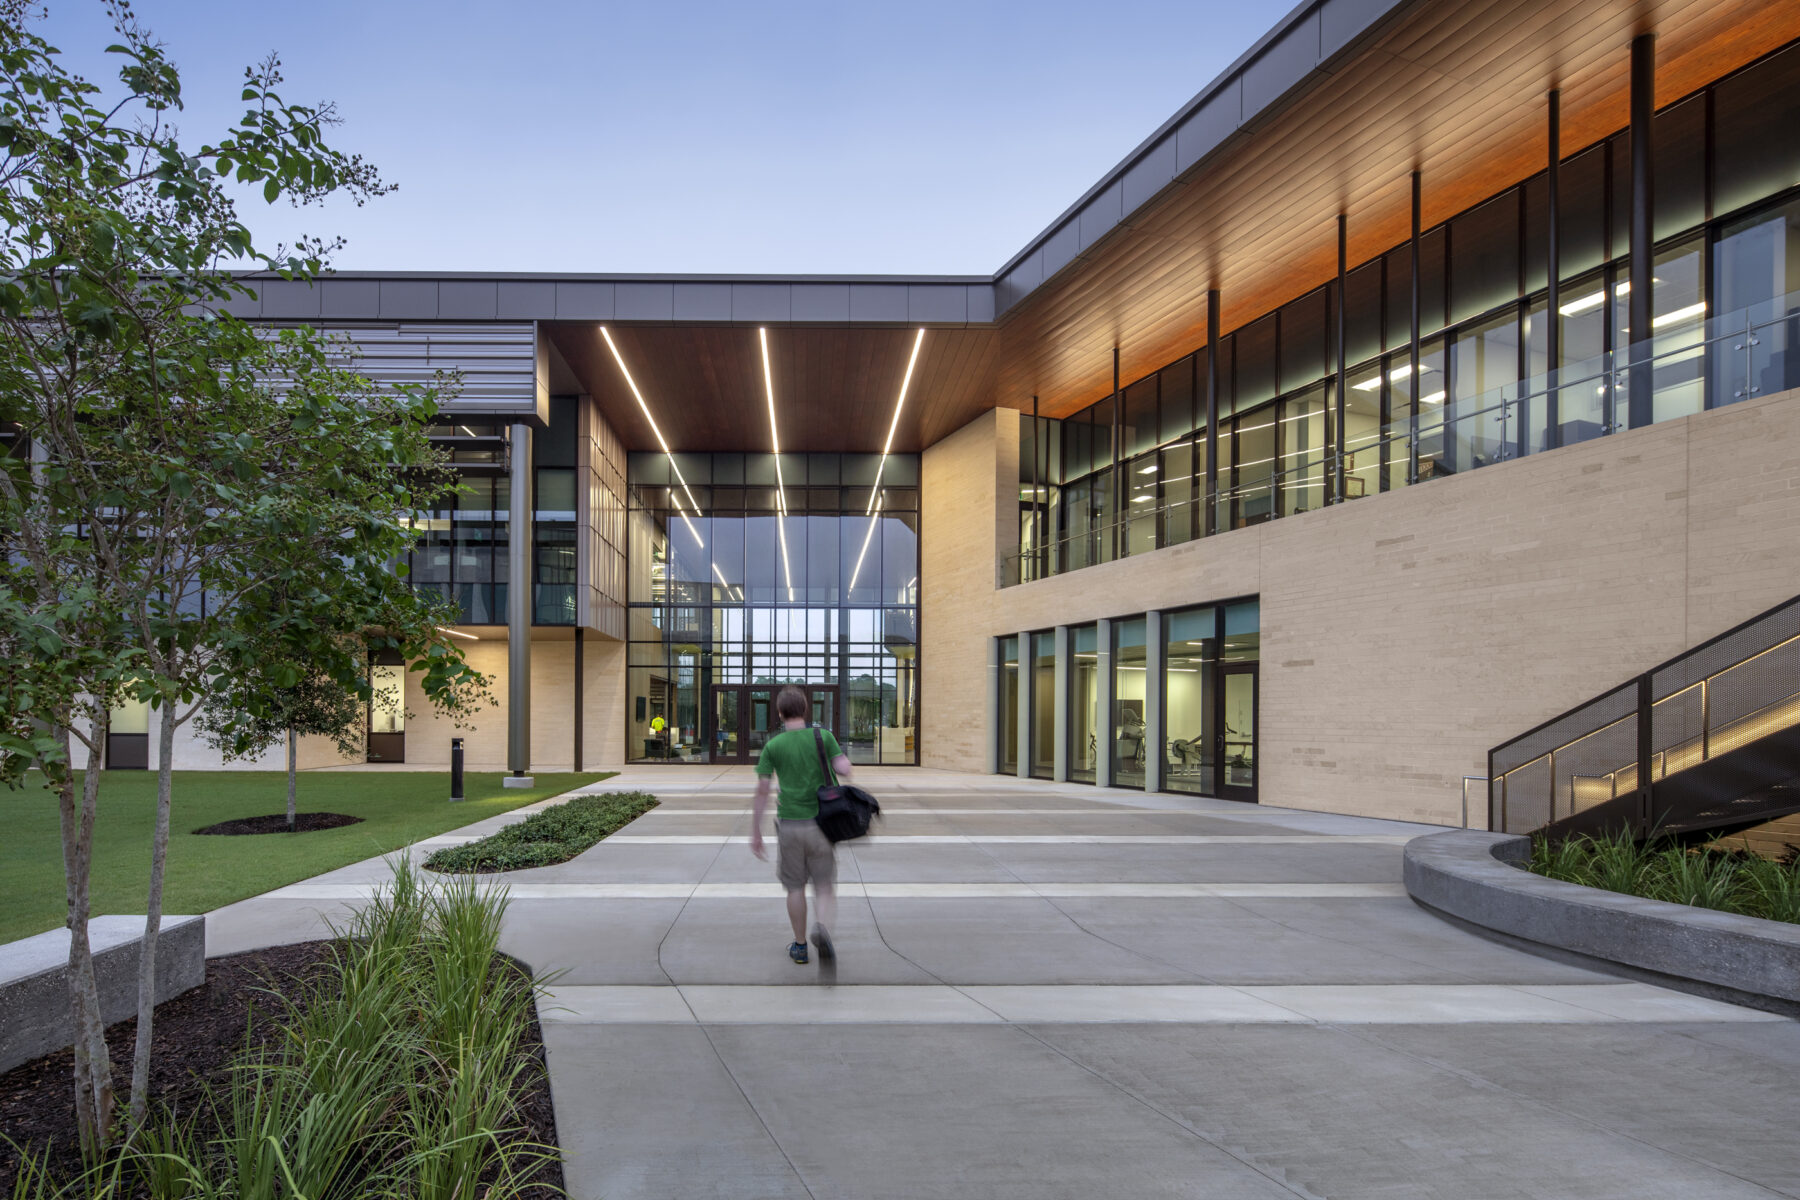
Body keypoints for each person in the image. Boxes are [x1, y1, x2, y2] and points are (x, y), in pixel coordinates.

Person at [750, 685, 854, 965]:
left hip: (790, 825)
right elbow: (844, 768)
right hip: (823, 824)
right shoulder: (824, 736)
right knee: (823, 886)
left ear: (781, 713)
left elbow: (762, 791)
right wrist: (838, 763)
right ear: (805, 710)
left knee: (794, 888)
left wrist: (756, 831)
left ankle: (800, 946)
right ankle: (821, 927)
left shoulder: (773, 746)